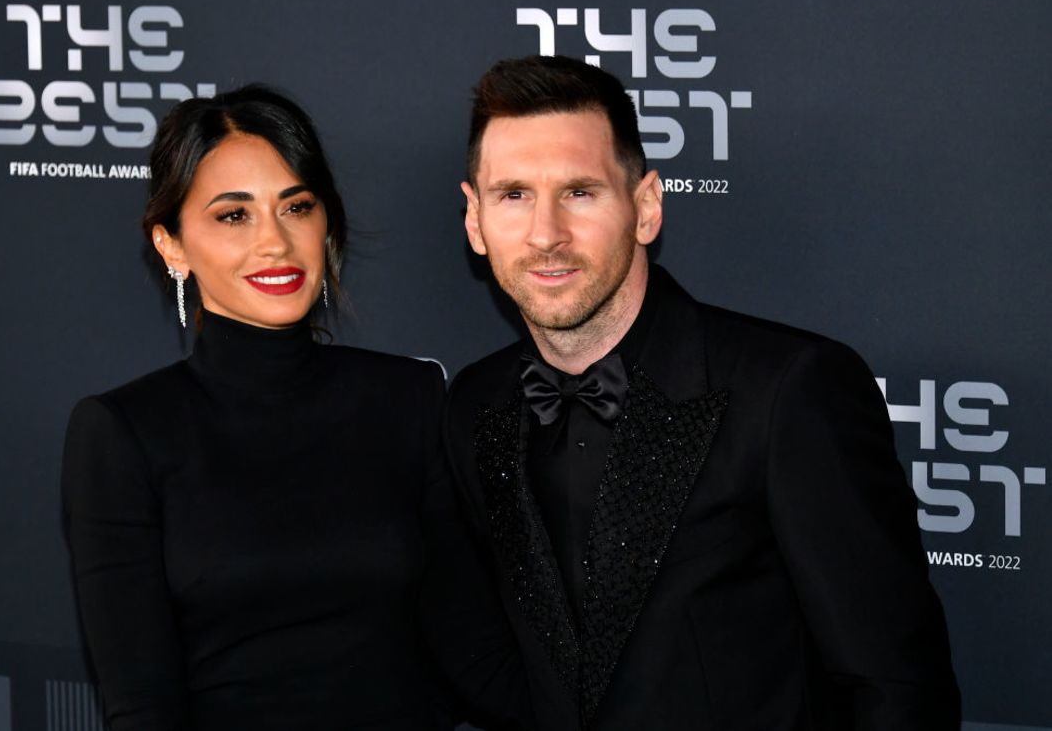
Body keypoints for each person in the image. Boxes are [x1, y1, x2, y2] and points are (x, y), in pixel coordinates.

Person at [444, 55, 960, 730]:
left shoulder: (787, 391)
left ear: (646, 207)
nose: (546, 233)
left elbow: (895, 688)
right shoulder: (474, 405)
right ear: (475, 220)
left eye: (579, 192)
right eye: (513, 194)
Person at [62, 85, 529, 731]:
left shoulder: (408, 400)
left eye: (296, 207)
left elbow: (472, 649)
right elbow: (142, 707)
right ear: (170, 243)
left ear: (325, 221)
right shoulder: (123, 435)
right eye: (234, 215)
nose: (275, 242)